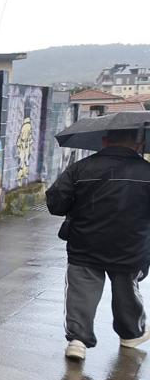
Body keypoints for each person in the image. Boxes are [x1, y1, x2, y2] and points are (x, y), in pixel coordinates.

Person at [46, 128, 150, 360]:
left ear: (104, 141)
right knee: (127, 289)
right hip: (130, 247)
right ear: (139, 143)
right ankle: (131, 334)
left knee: (81, 291)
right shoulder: (147, 172)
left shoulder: (80, 168)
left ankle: (78, 341)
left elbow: (56, 203)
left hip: (85, 243)